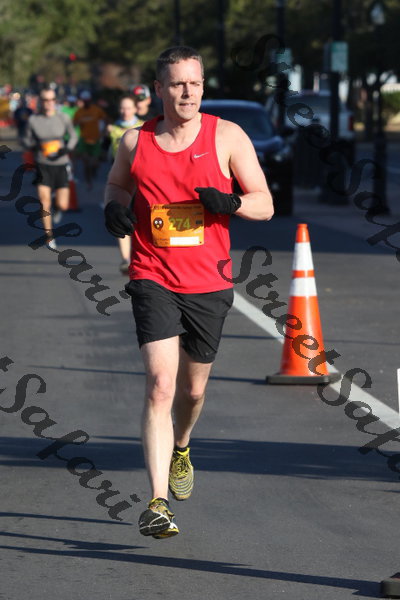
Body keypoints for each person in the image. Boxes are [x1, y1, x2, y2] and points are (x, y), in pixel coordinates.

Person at [104, 46, 274, 539]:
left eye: (195, 83)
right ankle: (158, 503)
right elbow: (117, 187)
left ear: (203, 86)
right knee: (161, 384)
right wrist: (114, 209)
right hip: (152, 273)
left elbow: (265, 203)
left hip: (209, 281)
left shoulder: (227, 136)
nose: (187, 93)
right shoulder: (135, 141)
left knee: (192, 390)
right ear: (159, 89)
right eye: (178, 84)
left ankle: (182, 446)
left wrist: (232, 202)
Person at [22, 87, 78, 249]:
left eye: (52, 99)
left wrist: (66, 149)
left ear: (55, 101)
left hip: (61, 164)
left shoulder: (63, 118)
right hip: (42, 164)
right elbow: (25, 140)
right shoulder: (34, 120)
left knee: (63, 204)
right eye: (46, 100)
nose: (49, 103)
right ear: (41, 101)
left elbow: (73, 136)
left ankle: (58, 209)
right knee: (44, 201)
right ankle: (49, 236)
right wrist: (34, 146)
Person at [107, 96, 144, 274]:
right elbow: (107, 152)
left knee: (140, 219)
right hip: (122, 178)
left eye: (128, 108)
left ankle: (141, 256)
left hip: (141, 178)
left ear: (135, 109)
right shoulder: (113, 128)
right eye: (122, 108)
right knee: (121, 215)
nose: (125, 112)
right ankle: (125, 259)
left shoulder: (145, 127)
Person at [73, 91, 108, 190]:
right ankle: (88, 182)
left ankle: (94, 171)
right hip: (84, 140)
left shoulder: (96, 110)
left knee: (95, 163)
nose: (86, 102)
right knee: (86, 164)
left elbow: (106, 119)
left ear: (90, 100)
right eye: (84, 101)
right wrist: (78, 123)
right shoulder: (79, 112)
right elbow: (73, 124)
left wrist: (104, 131)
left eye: (87, 101)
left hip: (95, 139)